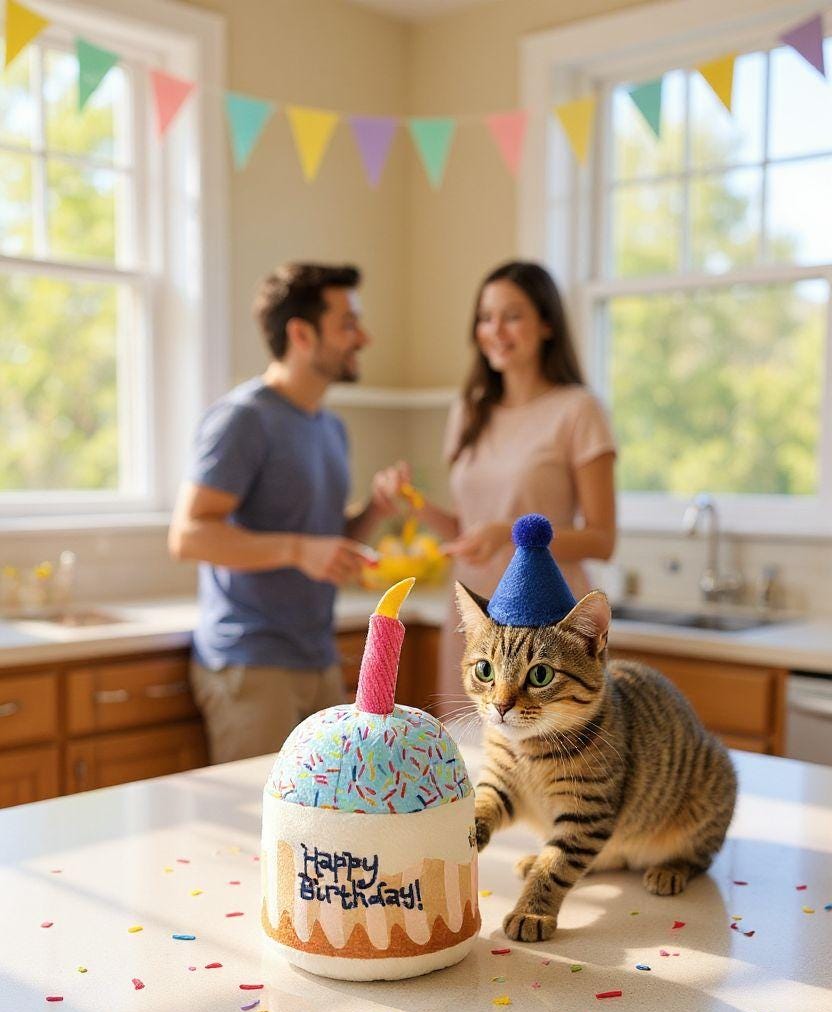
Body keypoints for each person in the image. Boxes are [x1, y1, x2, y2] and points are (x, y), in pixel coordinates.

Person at [168, 262, 399, 764]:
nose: (364, 337)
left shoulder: (330, 427)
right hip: (252, 665)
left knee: (332, 820)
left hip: (316, 657)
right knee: (258, 835)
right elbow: (188, 535)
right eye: (348, 324)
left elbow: (320, 538)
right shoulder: (243, 419)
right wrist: (298, 550)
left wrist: (373, 511)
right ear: (301, 333)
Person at [395, 259, 617, 709]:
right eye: (485, 317)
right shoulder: (469, 410)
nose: (495, 330)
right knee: (469, 764)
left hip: (547, 639)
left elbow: (602, 538)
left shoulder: (578, 410)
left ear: (547, 325)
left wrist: (509, 537)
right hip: (477, 626)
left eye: (512, 316)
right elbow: (469, 528)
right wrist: (414, 505)